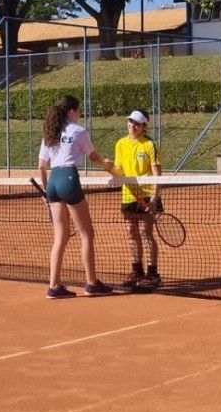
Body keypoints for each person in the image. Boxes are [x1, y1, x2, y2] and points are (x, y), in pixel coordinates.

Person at [38, 95, 116, 299]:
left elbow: (41, 166)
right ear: (71, 111)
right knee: (87, 232)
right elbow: (93, 156)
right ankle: (91, 283)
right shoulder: (79, 131)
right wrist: (108, 166)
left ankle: (53, 287)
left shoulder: (50, 134)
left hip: (54, 181)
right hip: (69, 178)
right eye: (79, 110)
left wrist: (46, 192)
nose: (80, 113)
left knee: (59, 237)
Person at [111, 110, 163, 291]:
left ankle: (153, 273)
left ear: (144, 127)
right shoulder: (120, 144)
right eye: (130, 122)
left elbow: (157, 174)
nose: (132, 126)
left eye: (136, 123)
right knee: (131, 231)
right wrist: (110, 169)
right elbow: (119, 170)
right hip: (128, 195)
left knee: (145, 231)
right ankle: (136, 270)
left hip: (148, 195)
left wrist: (155, 199)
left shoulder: (149, 145)